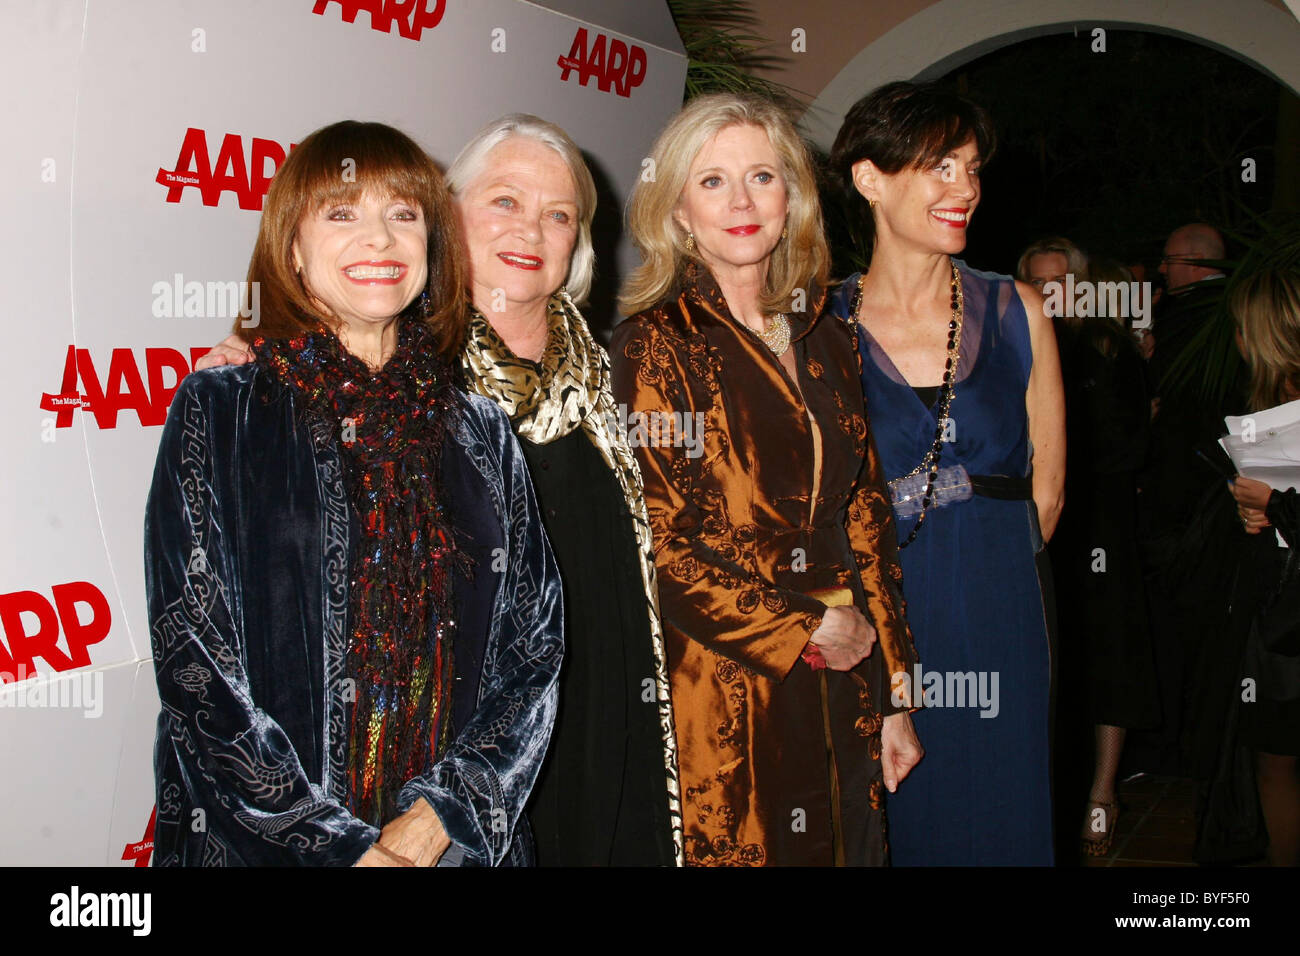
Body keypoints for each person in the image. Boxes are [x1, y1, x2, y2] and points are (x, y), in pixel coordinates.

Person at [195, 115, 682, 867]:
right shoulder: (404, 367)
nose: (532, 229)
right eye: (505, 202)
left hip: (592, 723)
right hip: (431, 778)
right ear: (448, 217)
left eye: (559, 215)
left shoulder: (617, 370)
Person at [146, 120, 563, 866]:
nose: (379, 239)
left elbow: (533, 651)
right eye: (342, 213)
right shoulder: (225, 409)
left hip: (453, 849)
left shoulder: (479, 428)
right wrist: (335, 848)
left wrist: (438, 820)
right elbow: (193, 658)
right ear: (293, 249)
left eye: (403, 215)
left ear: (431, 248)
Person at [611, 93, 921, 867]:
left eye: (762, 176)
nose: (742, 202)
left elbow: (865, 516)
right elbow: (658, 548)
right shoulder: (654, 346)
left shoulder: (826, 332)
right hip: (729, 685)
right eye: (712, 182)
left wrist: (894, 691)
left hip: (844, 676)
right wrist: (803, 626)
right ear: (678, 211)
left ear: (794, 197)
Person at [827, 81, 1065, 865]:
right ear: (870, 178)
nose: (966, 188)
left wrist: (990, 590)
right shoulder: (818, 326)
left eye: (971, 168)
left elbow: (1049, 493)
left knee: (1002, 815)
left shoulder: (1015, 308)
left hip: (1001, 610)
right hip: (876, 620)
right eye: (940, 166)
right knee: (891, 828)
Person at [1020, 246, 1159, 858]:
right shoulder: (1008, 348)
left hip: (1100, 530)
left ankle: (1103, 793)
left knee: (1110, 656)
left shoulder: (1111, 352)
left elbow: (1133, 446)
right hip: (1034, 530)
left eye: (1061, 280)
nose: (1050, 292)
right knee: (1050, 664)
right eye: (1037, 281)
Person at [1223, 267, 1300, 867]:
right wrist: (1261, 517)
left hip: (1289, 620)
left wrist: (1273, 505)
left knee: (1278, 759)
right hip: (1279, 604)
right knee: (1273, 755)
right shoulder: (1265, 410)